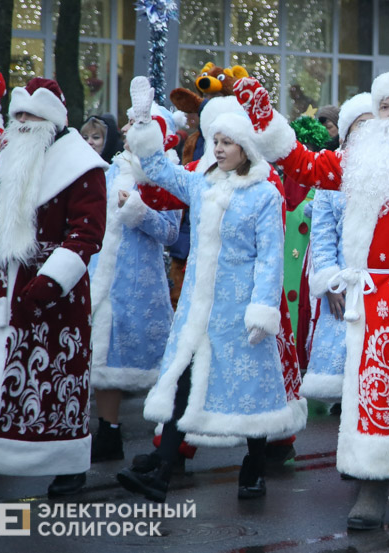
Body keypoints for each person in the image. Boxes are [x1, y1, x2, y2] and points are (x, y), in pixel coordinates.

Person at [245, 70, 389, 530]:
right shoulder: (357, 159)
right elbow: (305, 167)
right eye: (384, 106)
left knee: (387, 383)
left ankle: (373, 483)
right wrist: (264, 117)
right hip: (368, 290)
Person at [116, 77, 305, 502]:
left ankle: (254, 466)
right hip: (197, 308)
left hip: (240, 309)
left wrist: (261, 309)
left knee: (250, 386)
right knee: (181, 381)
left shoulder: (263, 195)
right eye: (214, 140)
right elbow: (161, 169)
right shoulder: (201, 183)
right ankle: (161, 474)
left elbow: (271, 258)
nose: (217, 149)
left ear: (246, 148)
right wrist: (144, 122)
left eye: (227, 142)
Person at [0, 77, 108, 498]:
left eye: (31, 115)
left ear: (52, 120)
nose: (21, 122)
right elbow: (2, 228)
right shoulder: (13, 158)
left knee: (57, 383)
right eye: (17, 114)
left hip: (56, 297)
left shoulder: (82, 164)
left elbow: (87, 233)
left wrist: (47, 284)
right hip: (9, 287)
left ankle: (68, 464)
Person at [88, 89, 181, 464]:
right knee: (103, 358)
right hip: (102, 278)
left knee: (148, 359)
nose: (124, 128)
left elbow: (171, 233)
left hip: (139, 283)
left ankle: (170, 438)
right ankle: (107, 431)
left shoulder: (167, 173)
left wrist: (137, 210)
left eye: (134, 123)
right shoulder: (112, 168)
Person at [300, 93, 372, 401]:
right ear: (346, 133)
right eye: (359, 125)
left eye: (372, 124)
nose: (366, 132)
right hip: (343, 282)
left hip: (381, 281)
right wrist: (330, 282)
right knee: (344, 374)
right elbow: (323, 235)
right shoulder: (331, 175)